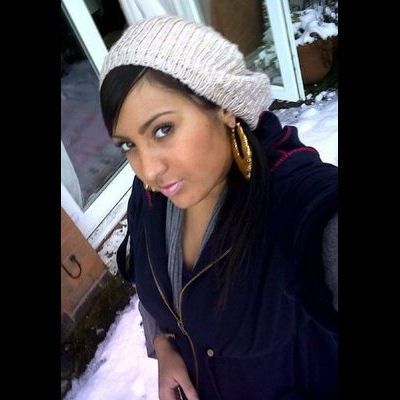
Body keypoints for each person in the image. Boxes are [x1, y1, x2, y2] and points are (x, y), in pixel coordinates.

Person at [99, 15, 338, 400]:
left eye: (162, 129)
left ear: (224, 107)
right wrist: (163, 345)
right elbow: (149, 280)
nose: (148, 170)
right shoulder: (150, 195)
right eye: (128, 144)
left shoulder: (296, 202)